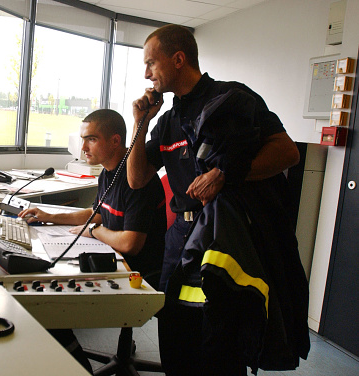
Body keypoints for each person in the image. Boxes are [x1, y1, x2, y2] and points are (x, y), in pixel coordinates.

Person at [128, 24, 309, 375]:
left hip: (225, 237)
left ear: (178, 59)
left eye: (151, 63)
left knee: (219, 348)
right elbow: (137, 178)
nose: (146, 73)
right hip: (179, 243)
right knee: (176, 344)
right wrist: (140, 123)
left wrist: (227, 174)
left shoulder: (232, 99)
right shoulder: (166, 121)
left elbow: (287, 153)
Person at [19, 108, 166, 374]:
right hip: (113, 255)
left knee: (51, 300)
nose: (83, 147)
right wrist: (48, 216)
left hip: (138, 273)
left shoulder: (137, 180)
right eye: (83, 138)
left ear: (115, 140)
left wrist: (94, 232)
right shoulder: (107, 172)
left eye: (92, 139)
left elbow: (131, 243)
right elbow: (97, 213)